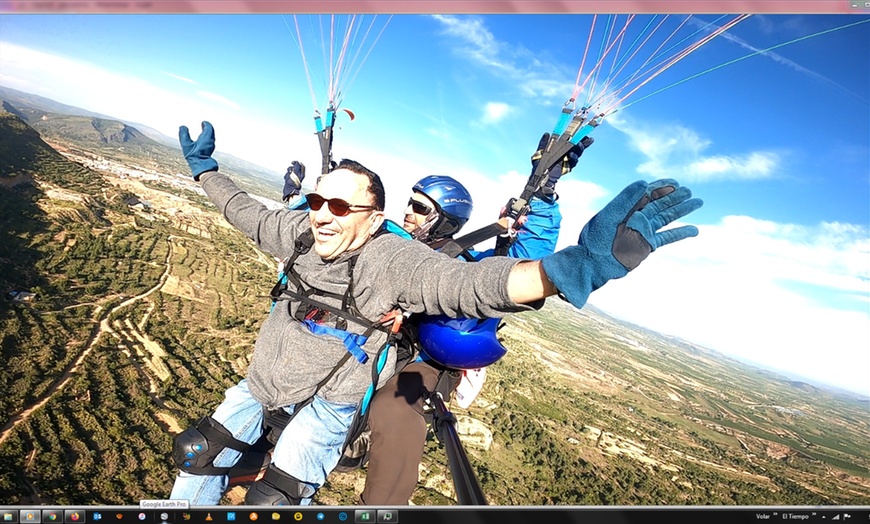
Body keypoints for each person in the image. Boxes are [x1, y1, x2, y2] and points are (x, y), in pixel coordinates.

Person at [169, 120, 703, 506]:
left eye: (421, 210)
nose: (410, 214)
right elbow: (248, 214)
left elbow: (484, 280)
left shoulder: (408, 258)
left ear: (370, 216)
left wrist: (571, 263)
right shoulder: (319, 232)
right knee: (202, 451)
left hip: (378, 369)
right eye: (316, 203)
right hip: (277, 375)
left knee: (390, 414)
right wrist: (206, 172)